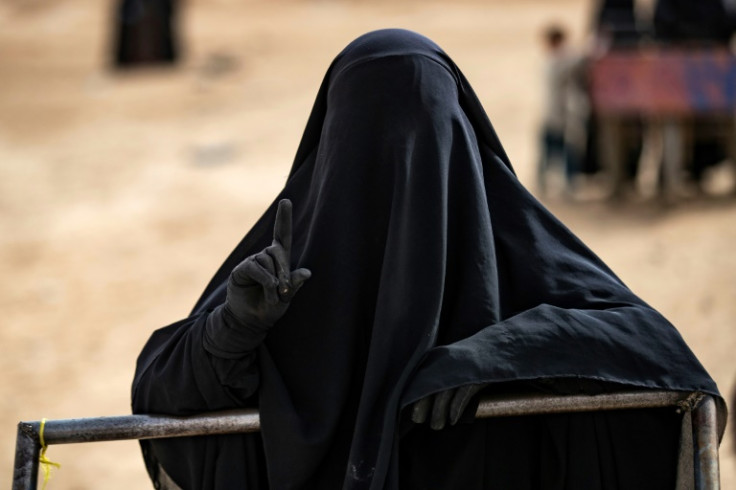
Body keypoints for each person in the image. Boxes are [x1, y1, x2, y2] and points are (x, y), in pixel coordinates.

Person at [132, 29, 726, 489]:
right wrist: (231, 332)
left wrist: (501, 354)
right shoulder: (281, 269)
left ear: (459, 136)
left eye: (422, 130)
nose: (398, 165)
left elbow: (662, 357)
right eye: (368, 134)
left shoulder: (518, 249)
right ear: (333, 143)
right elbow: (161, 388)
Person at [537, 25, 589, 198]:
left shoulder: (568, 59)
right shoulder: (559, 59)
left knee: (566, 151)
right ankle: (547, 183)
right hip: (555, 112)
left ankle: (566, 185)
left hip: (567, 113)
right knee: (553, 150)